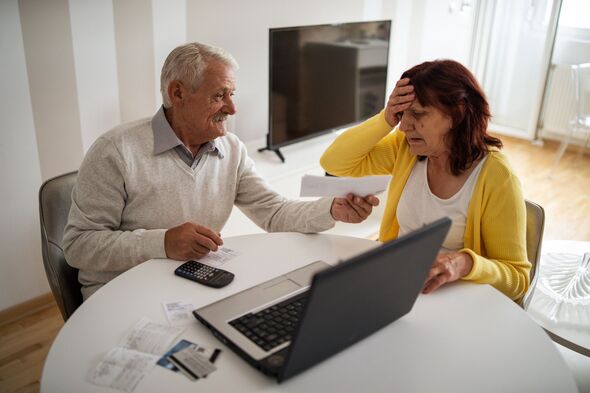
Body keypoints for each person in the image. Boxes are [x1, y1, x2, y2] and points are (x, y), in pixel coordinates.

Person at [63, 42, 379, 300]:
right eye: (219, 96)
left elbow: (274, 213)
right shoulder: (115, 151)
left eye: (232, 95)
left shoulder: (232, 149)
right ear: (178, 94)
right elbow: (78, 246)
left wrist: (332, 210)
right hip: (119, 294)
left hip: (188, 284)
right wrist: (163, 243)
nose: (232, 108)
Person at [320, 60, 530, 301]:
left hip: (453, 301)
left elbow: (518, 279)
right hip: (396, 282)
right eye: (402, 114)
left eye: (417, 114)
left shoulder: (498, 176)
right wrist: (385, 119)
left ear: (457, 113)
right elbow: (333, 162)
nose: (404, 127)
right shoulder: (406, 149)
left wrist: (465, 263)